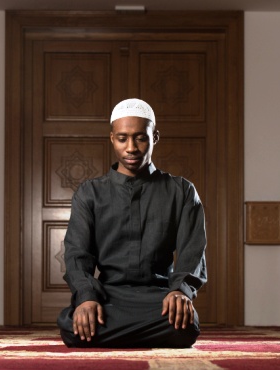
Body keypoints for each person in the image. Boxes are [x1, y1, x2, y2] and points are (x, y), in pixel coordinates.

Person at [57, 98, 207, 348]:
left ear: (155, 137)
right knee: (73, 326)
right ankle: (126, 326)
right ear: (112, 138)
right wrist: (86, 297)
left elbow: (193, 251)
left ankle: (112, 330)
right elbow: (77, 254)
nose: (131, 148)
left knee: (185, 326)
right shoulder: (89, 193)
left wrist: (181, 291)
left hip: (159, 298)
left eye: (140, 138)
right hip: (107, 297)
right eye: (122, 138)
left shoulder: (181, 191)